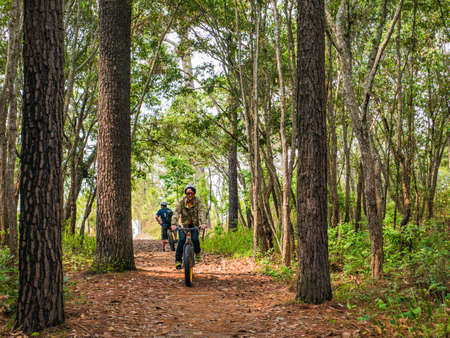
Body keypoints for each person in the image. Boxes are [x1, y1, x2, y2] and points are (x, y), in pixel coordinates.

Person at [171, 184, 206, 269]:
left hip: (195, 224)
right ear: (186, 194)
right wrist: (173, 224)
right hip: (184, 225)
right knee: (181, 241)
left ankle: (197, 253)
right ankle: (178, 261)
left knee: (195, 239)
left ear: (194, 193)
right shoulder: (181, 201)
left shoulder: (198, 201)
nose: (190, 195)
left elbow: (202, 212)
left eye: (191, 193)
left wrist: (203, 223)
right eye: (188, 193)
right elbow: (176, 213)